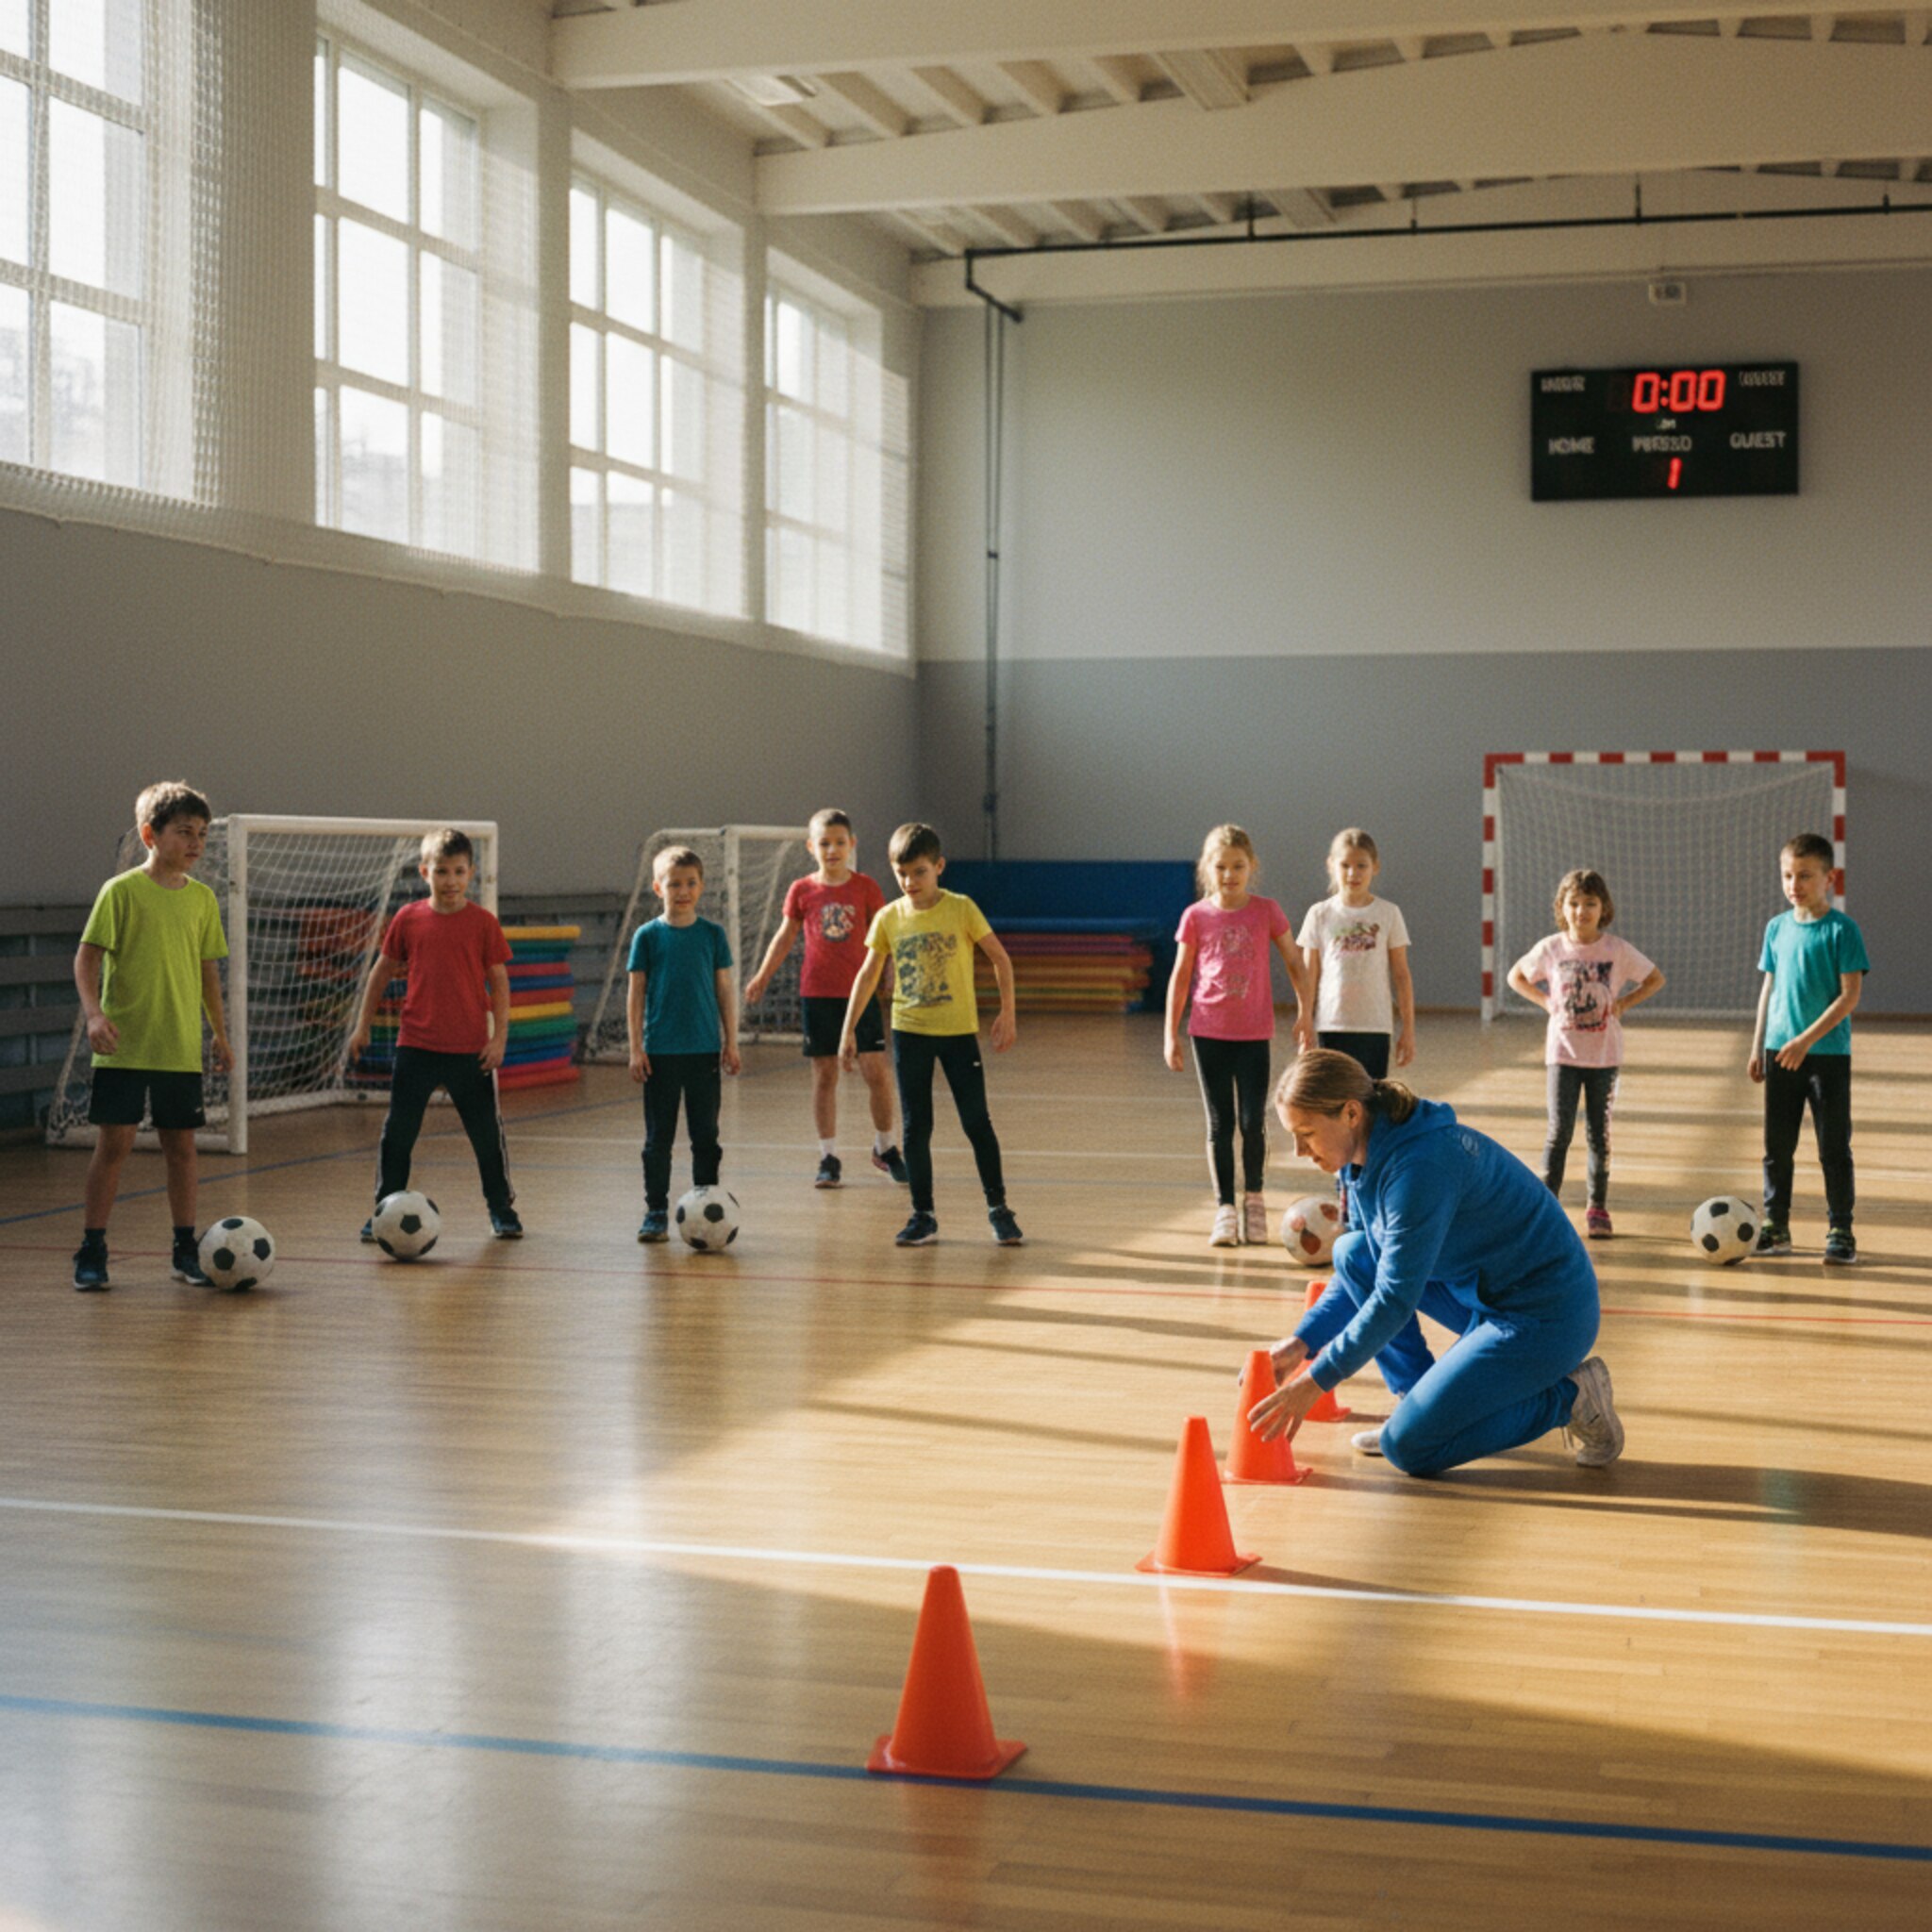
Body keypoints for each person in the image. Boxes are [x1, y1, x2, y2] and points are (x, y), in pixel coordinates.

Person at [1246, 1049, 1623, 1475]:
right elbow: (1369, 1263)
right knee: (1352, 1252)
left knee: (1409, 1448)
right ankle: (1417, 1401)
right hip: (1485, 1296)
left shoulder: (1419, 1168)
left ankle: (1570, 1399)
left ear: (1351, 1113)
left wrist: (1316, 1380)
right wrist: (1303, 1341)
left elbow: (1394, 1299)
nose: (1299, 1151)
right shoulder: (1360, 1158)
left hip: (1546, 1316)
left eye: (1306, 1134)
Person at [71, 781, 232, 1291]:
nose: (195, 843)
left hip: (178, 1049)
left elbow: (207, 972)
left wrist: (220, 1033)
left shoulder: (202, 900)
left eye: (202, 834)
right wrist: (95, 1016)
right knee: (114, 1145)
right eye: (184, 832)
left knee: (182, 1148)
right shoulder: (120, 892)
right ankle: (92, 1248)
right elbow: (86, 959)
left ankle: (185, 1249)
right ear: (150, 835)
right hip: (124, 1048)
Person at [841, 822, 1022, 1248]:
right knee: (916, 1127)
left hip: (958, 1034)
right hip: (911, 1034)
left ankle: (999, 1209)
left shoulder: (961, 908)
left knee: (976, 1121)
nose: (910, 882)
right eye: (901, 874)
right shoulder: (889, 917)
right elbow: (867, 975)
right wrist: (848, 1029)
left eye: (919, 872)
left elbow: (1000, 958)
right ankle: (923, 1215)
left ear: (939, 867)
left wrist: (1008, 1012)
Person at [349, 827, 520, 1241]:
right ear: (425, 872)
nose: (451, 880)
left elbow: (499, 982)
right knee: (398, 1134)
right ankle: (384, 1210)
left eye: (459, 871)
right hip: (417, 1046)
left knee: (486, 1135)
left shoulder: (483, 923)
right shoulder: (408, 919)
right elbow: (381, 972)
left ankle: (501, 1210)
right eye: (441, 871)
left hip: (470, 1051)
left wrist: (498, 1039)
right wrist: (362, 1025)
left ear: (471, 873)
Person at [743, 809, 907, 1189]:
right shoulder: (802, 890)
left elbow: (885, 934)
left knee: (876, 1071)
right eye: (824, 843)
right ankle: (828, 1157)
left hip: (861, 994)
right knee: (825, 1075)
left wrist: (890, 969)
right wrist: (762, 975)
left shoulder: (866, 888)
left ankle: (886, 1147)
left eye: (839, 843)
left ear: (852, 845)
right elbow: (785, 936)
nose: (832, 850)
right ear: (810, 847)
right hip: (818, 994)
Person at [1165, 824, 1307, 1247]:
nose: (1230, 875)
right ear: (1207, 869)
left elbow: (1295, 961)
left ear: (1251, 867)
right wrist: (1171, 1034)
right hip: (1207, 1031)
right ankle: (1225, 1208)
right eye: (1221, 867)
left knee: (1252, 1121)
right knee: (1220, 1123)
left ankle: (1255, 1201)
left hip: (1253, 1033)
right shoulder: (1196, 916)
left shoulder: (1266, 911)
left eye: (1238, 866)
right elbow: (1180, 976)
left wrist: (1306, 1014)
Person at [1507, 867, 1664, 1239]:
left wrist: (1624, 1003)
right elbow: (1516, 977)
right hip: (1562, 1055)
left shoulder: (1616, 950)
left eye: (1590, 903)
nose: (1582, 911)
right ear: (1562, 908)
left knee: (1598, 1134)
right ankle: (1547, 1208)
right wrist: (1546, 1002)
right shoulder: (1551, 948)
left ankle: (1597, 1207)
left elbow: (1655, 979)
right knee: (1558, 1132)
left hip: (1604, 1057)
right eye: (1574, 903)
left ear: (1603, 907)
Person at [1748, 833, 1869, 1263]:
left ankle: (1841, 1229)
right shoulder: (1776, 928)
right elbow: (1769, 988)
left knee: (1833, 1146)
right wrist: (1759, 1044)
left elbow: (1849, 997)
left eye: (1804, 875)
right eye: (1787, 875)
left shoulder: (1842, 930)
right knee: (1777, 1148)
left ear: (1828, 879)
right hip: (1780, 1052)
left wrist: (1806, 1040)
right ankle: (1776, 1225)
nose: (1793, 884)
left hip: (1826, 1055)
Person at [627, 845, 741, 1242]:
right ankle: (655, 1210)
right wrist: (636, 1048)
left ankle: (705, 1205)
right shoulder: (647, 936)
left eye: (691, 883)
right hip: (660, 1052)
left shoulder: (712, 935)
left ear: (701, 886)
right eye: (674, 884)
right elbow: (636, 994)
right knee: (658, 1139)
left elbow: (724, 990)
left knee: (705, 1136)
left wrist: (731, 1041)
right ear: (658, 887)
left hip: (703, 1051)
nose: (683, 891)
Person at [1295, 827, 1415, 1077]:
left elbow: (1401, 975)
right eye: (1345, 865)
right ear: (1331, 865)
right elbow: (1309, 973)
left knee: (1371, 1093)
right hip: (1332, 1023)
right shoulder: (1319, 914)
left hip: (1375, 1025)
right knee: (1335, 1094)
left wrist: (1408, 1029)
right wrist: (1305, 1017)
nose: (1353, 873)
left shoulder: (1388, 913)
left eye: (1361, 865)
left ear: (1375, 867)